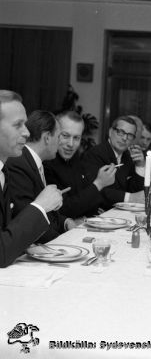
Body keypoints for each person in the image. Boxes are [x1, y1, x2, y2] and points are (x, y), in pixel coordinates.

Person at [0, 91, 64, 267]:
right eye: (18, 125)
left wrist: (26, 246)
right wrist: (40, 206)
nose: (27, 132)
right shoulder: (12, 167)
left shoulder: (3, 170)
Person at [7, 110, 76, 243]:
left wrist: (64, 222)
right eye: (60, 136)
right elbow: (27, 217)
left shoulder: (34, 161)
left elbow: (44, 209)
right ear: (47, 137)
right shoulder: (19, 163)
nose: (61, 142)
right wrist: (66, 242)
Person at [44, 111, 116, 218]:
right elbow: (63, 210)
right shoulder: (46, 162)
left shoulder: (75, 157)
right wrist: (99, 184)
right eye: (65, 136)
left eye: (76, 138)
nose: (71, 144)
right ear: (54, 134)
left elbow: (91, 203)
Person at [82, 115, 145, 207]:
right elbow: (96, 190)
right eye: (120, 132)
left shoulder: (128, 156)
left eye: (130, 135)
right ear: (110, 132)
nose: (124, 138)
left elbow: (136, 192)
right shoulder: (95, 154)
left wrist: (140, 166)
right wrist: (129, 197)